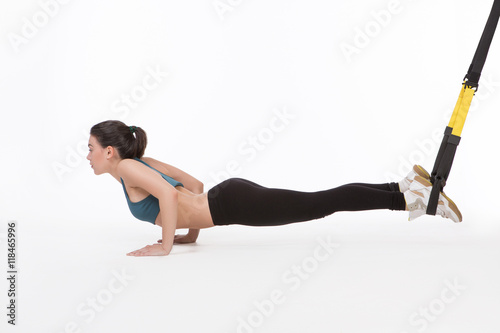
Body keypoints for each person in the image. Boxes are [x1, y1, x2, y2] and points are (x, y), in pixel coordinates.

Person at [87, 120, 462, 257]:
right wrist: (189, 234)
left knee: (324, 203)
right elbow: (196, 186)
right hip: (227, 195)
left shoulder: (129, 168)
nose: (87, 156)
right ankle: (405, 186)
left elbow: (170, 195)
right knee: (322, 200)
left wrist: (166, 245)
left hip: (232, 205)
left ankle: (414, 198)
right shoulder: (141, 164)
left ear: (108, 151)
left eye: (90, 149)